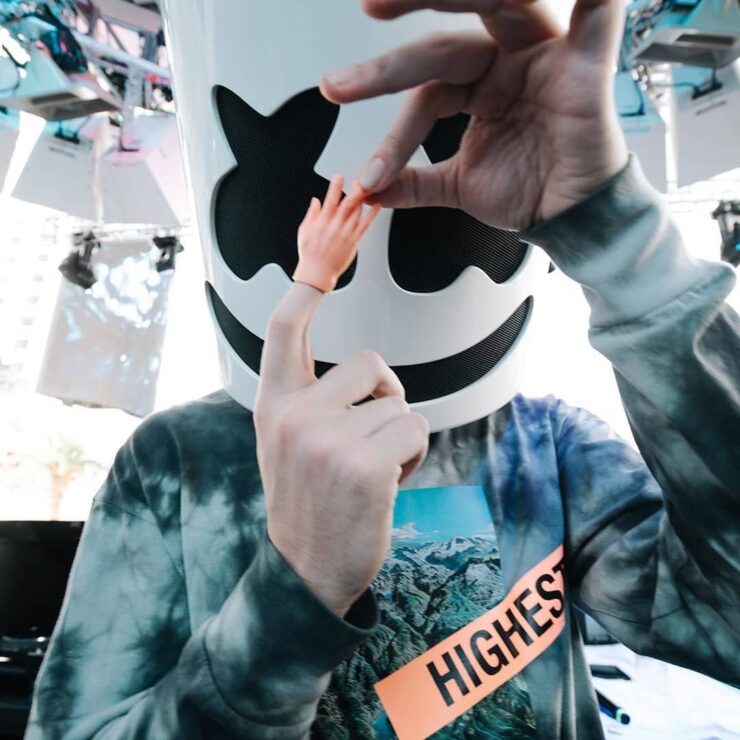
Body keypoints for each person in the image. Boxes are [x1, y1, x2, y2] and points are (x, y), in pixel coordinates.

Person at [26, 0, 739, 738]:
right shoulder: (176, 460)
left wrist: (613, 230)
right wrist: (295, 589)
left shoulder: (548, 448)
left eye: (437, 229)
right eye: (289, 200)